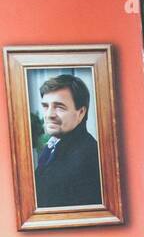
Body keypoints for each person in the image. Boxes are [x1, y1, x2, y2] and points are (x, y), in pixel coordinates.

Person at [34, 75, 102, 208]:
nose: (49, 114)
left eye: (59, 107)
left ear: (81, 112)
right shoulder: (54, 144)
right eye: (46, 106)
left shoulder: (88, 156)